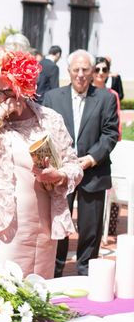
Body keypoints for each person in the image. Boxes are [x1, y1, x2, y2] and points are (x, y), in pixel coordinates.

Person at [0, 48, 82, 278]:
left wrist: (58, 175)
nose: (1, 98)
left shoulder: (49, 119)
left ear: (23, 88)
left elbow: (73, 166)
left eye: (8, 91)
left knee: (34, 298)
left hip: (40, 227)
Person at [43, 50, 119, 276]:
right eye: (76, 70)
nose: (80, 74)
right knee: (58, 224)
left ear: (93, 71)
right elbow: (44, 133)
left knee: (90, 228)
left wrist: (90, 159)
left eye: (85, 69)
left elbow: (110, 134)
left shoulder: (105, 98)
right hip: (60, 173)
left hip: (93, 172)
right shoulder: (52, 98)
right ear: (68, 71)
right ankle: (55, 270)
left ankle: (86, 271)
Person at [92, 56, 123, 236]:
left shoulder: (113, 95)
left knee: (113, 188)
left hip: (107, 148)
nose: (101, 73)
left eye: (104, 70)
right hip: (86, 149)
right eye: (97, 69)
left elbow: (116, 127)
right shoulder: (85, 93)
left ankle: (109, 228)